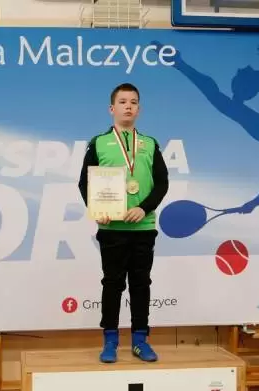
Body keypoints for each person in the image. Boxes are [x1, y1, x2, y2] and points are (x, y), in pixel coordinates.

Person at [78, 83, 170, 363]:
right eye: (122, 102)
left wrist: (143, 208)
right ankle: (110, 341)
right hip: (112, 229)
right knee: (112, 284)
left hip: (143, 228)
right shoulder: (98, 143)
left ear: (139, 109)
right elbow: (84, 183)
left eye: (133, 102)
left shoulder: (150, 144)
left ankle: (140, 340)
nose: (128, 106)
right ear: (112, 108)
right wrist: (98, 210)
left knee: (141, 284)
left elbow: (162, 184)